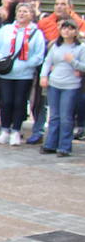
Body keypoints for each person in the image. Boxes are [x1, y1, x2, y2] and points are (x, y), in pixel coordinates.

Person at [0, 3, 46, 146]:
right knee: (6, 101)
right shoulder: (6, 30)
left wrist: (26, 64)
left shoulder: (36, 33)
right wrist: (1, 59)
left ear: (31, 15)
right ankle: (4, 130)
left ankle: (16, 130)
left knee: (19, 103)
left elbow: (39, 55)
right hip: (6, 73)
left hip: (25, 75)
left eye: (25, 12)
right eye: (19, 11)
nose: (22, 14)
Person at [39, 18, 81, 156]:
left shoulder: (80, 48)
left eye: (70, 28)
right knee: (54, 116)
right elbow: (47, 62)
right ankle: (50, 144)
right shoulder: (56, 46)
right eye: (64, 28)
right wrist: (44, 76)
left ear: (75, 31)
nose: (66, 31)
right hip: (54, 83)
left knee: (66, 116)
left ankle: (64, 146)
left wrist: (73, 62)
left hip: (71, 85)